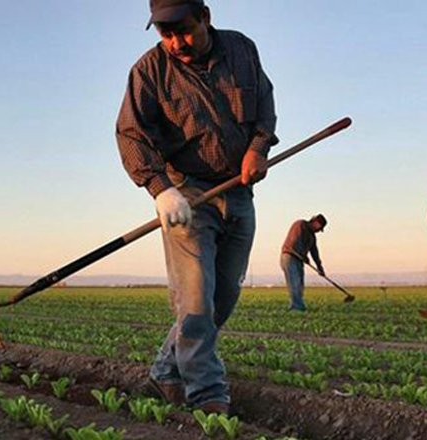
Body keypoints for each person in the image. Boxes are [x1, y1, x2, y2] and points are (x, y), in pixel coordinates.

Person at [116, 0, 277, 414]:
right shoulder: (149, 71)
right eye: (165, 34)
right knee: (195, 300)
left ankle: (166, 371)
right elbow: (130, 134)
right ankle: (207, 395)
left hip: (238, 190)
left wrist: (258, 148)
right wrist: (160, 189)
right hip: (186, 193)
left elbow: (264, 103)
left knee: (222, 299)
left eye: (183, 30)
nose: (175, 42)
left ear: (205, 16)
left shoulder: (242, 49)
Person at [280, 214, 327, 311]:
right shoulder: (300, 225)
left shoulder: (312, 237)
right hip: (289, 256)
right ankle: (297, 307)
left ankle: (296, 305)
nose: (319, 231)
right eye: (320, 227)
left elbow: (314, 252)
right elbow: (295, 243)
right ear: (315, 222)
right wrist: (304, 256)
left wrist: (319, 267)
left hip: (299, 259)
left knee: (300, 284)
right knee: (295, 283)